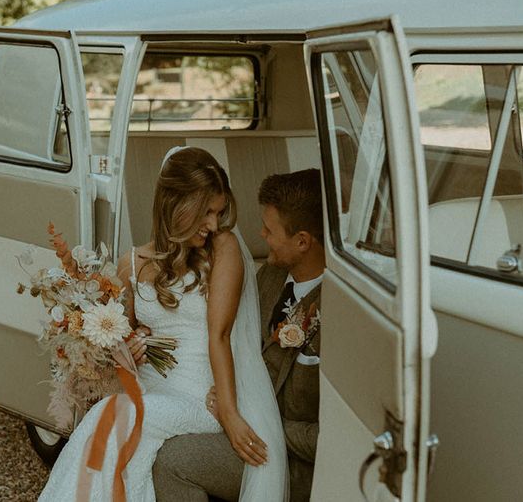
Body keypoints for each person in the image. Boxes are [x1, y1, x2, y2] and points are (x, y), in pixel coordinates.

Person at [38, 147, 288, 502]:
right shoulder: (133, 264)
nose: (214, 224)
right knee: (131, 451)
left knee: (115, 416)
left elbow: (220, 335)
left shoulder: (223, 250)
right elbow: (118, 343)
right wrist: (133, 349)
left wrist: (230, 415)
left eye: (218, 213)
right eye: (206, 212)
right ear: (175, 204)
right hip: (150, 393)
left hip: (203, 400)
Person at [153, 168, 324, 502]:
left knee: (173, 461)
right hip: (246, 423)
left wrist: (260, 425)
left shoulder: (339, 316)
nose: (260, 235)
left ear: (302, 241)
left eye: (269, 230)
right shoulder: (271, 278)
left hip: (292, 461)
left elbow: (334, 439)